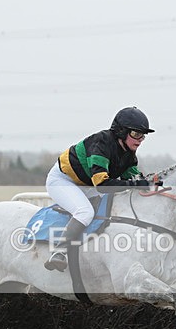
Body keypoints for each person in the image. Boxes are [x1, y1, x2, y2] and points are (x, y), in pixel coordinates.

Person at [43, 106, 154, 271]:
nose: (140, 140)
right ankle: (59, 251)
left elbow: (134, 180)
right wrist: (134, 184)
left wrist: (152, 183)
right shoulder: (101, 143)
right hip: (63, 180)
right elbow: (103, 185)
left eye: (142, 136)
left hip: (87, 183)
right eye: (136, 134)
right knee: (85, 212)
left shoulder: (129, 155)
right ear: (122, 132)